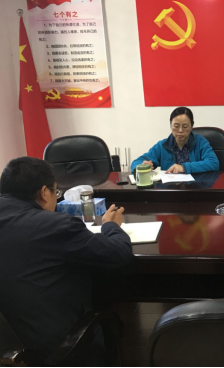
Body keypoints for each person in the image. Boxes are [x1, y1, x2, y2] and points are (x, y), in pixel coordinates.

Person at [0, 157, 133, 366]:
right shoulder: (55, 226)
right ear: (44, 193)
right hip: (49, 350)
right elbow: (118, 254)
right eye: (57, 192)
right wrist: (111, 226)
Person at [131, 107, 219, 174]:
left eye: (185, 126)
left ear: (191, 126)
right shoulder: (162, 145)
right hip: (171, 189)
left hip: (196, 188)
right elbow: (136, 162)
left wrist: (184, 167)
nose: (180, 130)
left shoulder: (200, 142)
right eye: (176, 126)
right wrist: (142, 166)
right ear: (171, 125)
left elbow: (214, 163)